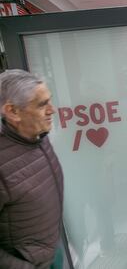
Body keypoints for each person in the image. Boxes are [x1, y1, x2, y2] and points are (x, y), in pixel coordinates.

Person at [0, 69, 64, 268]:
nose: (52, 110)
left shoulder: (38, 137)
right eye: (42, 104)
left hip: (51, 252)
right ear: (12, 112)